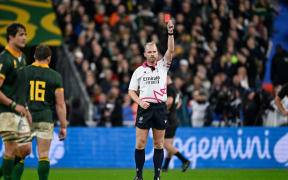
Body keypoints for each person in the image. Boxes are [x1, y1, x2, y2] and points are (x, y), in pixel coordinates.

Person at [128, 19, 174, 180]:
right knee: (140, 143)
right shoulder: (139, 71)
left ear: (157, 53)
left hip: (160, 107)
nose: (153, 54)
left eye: (154, 51)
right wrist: (140, 102)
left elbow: (171, 50)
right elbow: (131, 91)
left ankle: (157, 176)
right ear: (145, 54)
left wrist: (170, 32)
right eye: (150, 52)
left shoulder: (163, 66)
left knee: (158, 144)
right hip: (145, 108)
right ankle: (139, 176)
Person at [19, 44, 67, 180]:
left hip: (25, 118)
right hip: (45, 118)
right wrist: (63, 126)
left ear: (34, 56)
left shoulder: (23, 72)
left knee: (20, 154)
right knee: (44, 154)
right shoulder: (55, 76)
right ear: (49, 59)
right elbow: (60, 104)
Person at [0, 23, 32, 180]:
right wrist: (13, 105)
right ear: (11, 37)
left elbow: (21, 87)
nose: (25, 37)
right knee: (11, 149)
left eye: (25, 34)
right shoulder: (4, 59)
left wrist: (26, 108)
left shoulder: (22, 58)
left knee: (26, 149)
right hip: (6, 111)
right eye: (21, 34)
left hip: (20, 110)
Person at [162, 76, 190, 172]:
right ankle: (165, 167)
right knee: (170, 144)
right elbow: (179, 102)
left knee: (166, 144)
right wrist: (174, 109)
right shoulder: (175, 88)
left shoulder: (169, 88)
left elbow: (169, 102)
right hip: (174, 119)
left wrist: (162, 109)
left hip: (169, 119)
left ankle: (184, 160)